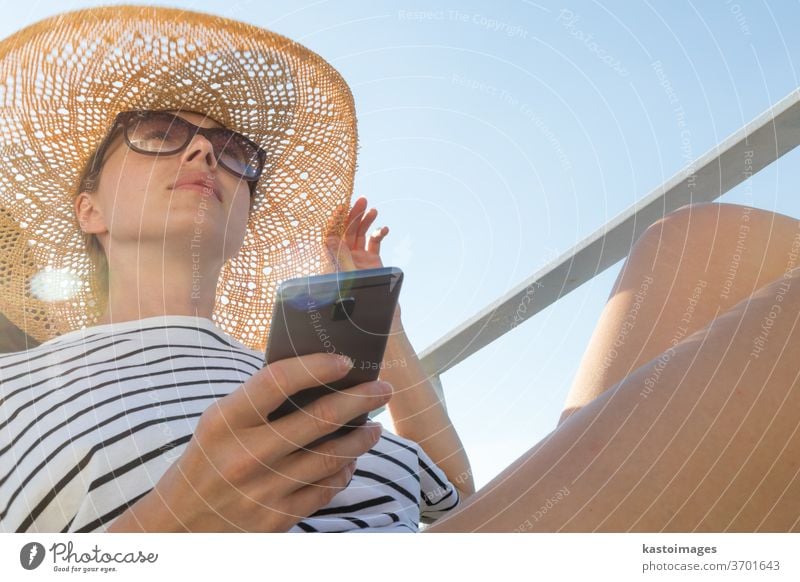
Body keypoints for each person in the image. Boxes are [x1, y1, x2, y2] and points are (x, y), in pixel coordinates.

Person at [1, 6, 799, 534]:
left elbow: (461, 502)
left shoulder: (302, 387)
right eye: (159, 131)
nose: (205, 150)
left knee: (709, 240)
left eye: (236, 153)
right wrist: (178, 528)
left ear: (242, 224)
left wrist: (391, 327)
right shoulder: (20, 386)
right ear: (89, 211)